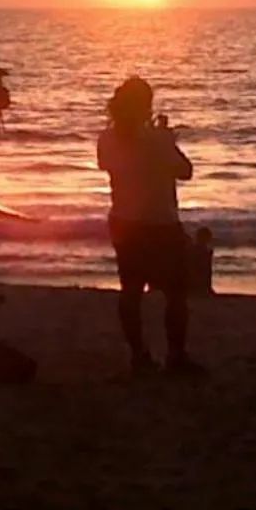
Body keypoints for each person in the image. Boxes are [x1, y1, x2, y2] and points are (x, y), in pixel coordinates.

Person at [97, 77, 201, 375]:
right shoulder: (156, 140)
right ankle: (176, 356)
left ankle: (139, 356)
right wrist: (167, 140)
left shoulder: (106, 138)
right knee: (176, 294)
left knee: (130, 291)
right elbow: (185, 171)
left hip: (123, 222)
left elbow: (109, 165)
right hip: (159, 223)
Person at [189, 227, 216, 297]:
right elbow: (205, 271)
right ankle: (206, 289)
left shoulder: (192, 249)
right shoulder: (202, 251)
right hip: (198, 285)